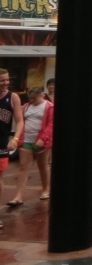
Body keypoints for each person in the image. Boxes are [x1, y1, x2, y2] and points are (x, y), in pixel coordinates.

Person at [7, 86, 52, 207]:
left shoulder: (49, 106)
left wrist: (43, 138)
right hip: (26, 139)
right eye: (30, 98)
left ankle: (46, 189)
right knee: (23, 167)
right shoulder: (26, 106)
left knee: (42, 166)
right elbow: (20, 121)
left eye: (34, 98)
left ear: (41, 95)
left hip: (41, 141)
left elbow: (51, 124)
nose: (31, 100)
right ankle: (18, 196)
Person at [0, 69, 24, 229]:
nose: (5, 83)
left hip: (1, 142)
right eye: (2, 80)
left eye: (7, 80)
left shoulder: (12, 97)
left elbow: (20, 120)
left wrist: (15, 138)